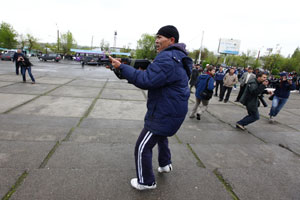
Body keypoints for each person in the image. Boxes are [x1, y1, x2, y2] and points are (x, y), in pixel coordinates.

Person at [109, 25, 192, 190]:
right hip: (173, 111)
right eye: (156, 37)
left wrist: (121, 67)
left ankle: (146, 181)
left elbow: (145, 81)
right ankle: (165, 164)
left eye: (160, 37)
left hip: (163, 112)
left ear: (171, 40)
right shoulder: (178, 57)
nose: (156, 41)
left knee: (142, 147)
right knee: (161, 136)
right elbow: (157, 78)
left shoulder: (167, 58)